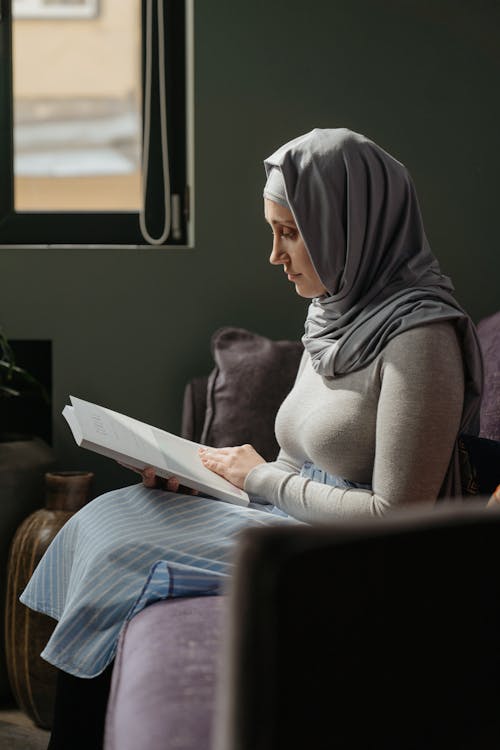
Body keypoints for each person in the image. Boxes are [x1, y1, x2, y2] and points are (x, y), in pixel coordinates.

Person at [21, 128, 482, 749]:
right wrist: (205, 482)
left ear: (352, 226)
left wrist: (259, 478)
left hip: (355, 549)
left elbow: (396, 513)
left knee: (122, 550)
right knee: (112, 515)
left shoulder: (419, 341)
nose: (275, 254)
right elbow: (297, 459)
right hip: (288, 511)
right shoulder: (333, 313)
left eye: (290, 232)